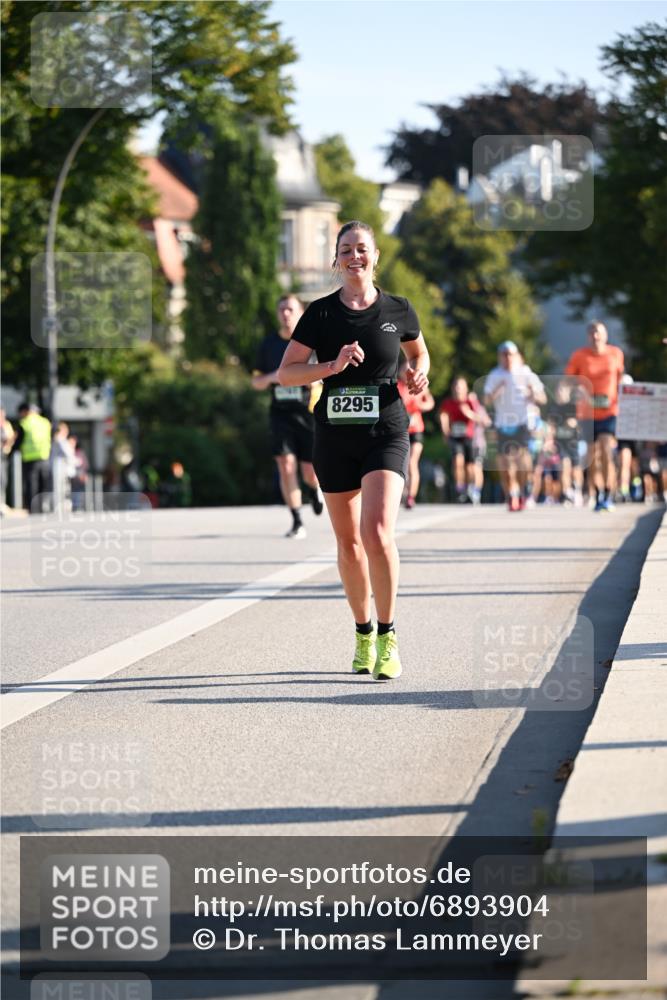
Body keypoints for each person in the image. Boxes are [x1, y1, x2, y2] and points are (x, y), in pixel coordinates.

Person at [278, 220, 430, 680]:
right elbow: (287, 373)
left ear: (375, 255)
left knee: (378, 532)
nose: (354, 256)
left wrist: (417, 374)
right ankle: (362, 631)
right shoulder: (321, 314)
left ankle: (388, 634)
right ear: (336, 259)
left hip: (386, 428)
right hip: (334, 435)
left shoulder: (399, 308)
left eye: (361, 248)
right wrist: (331, 365)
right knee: (348, 544)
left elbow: (419, 354)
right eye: (346, 249)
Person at [252, 294, 324, 538]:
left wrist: (308, 379)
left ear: (301, 313)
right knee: (286, 466)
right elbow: (256, 382)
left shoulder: (313, 343)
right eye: (282, 309)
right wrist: (276, 377)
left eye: (291, 309)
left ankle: (314, 490)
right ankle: (296, 521)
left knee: (309, 472)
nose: (286, 314)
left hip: (309, 414)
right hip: (280, 414)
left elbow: (328, 372)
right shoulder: (268, 345)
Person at [565, 321, 624, 511]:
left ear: (605, 335)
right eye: (592, 333)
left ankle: (609, 492)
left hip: (609, 411)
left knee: (607, 450)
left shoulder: (616, 354)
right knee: (592, 456)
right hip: (586, 413)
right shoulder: (579, 356)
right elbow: (569, 380)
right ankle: (597, 492)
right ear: (588, 337)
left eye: (598, 333)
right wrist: (571, 390)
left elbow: (621, 381)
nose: (595, 336)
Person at [483, 342, 546, 511]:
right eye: (504, 354)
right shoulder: (495, 375)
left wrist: (533, 393)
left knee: (522, 460)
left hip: (523, 421)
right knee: (505, 463)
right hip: (503, 423)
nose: (507, 357)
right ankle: (512, 494)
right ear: (500, 357)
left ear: (517, 355)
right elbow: (487, 401)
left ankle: (524, 489)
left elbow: (543, 398)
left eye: (510, 354)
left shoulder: (526, 373)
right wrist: (497, 390)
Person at [439, 376, 487, 504]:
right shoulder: (448, 403)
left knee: (471, 466)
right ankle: (460, 489)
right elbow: (443, 415)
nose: (458, 389)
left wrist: (468, 413)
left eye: (460, 387)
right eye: (456, 386)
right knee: (457, 461)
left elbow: (480, 419)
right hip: (455, 437)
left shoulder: (470, 401)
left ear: (466, 389)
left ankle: (473, 490)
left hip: (470, 437)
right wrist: (445, 430)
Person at [397, 358, 434, 508]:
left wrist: (420, 405)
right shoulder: (396, 386)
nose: (407, 374)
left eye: (409, 371)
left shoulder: (420, 385)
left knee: (412, 463)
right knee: (402, 464)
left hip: (416, 429)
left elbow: (430, 403)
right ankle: (403, 493)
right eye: (404, 371)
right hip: (400, 430)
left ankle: (411, 496)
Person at [10, 403, 52, 512]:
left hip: (30, 459)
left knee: (31, 484)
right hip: (44, 457)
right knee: (43, 484)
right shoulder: (45, 422)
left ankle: (32, 508)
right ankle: (43, 506)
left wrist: (10, 453)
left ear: (25, 411)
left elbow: (19, 441)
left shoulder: (25, 423)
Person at [0, 408, 16, 514]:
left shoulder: (6, 425)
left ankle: (1, 503)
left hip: (3, 455)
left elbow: (10, 438)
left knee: (2, 480)